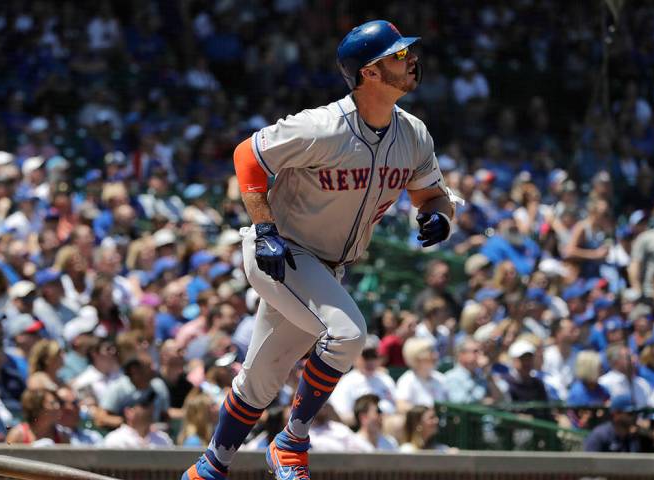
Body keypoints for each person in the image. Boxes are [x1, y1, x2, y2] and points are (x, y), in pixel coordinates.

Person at [181, 19, 458, 480]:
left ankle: (209, 467)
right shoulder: (323, 126)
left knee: (261, 379)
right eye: (397, 56)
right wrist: (264, 227)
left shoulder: (413, 134)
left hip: (328, 269)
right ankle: (291, 442)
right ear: (370, 72)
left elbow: (432, 194)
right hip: (281, 251)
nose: (409, 61)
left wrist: (440, 216)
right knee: (349, 335)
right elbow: (248, 155)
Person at [103, 389, 173, 448]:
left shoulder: (163, 439)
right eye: (144, 405)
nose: (151, 409)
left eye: (151, 405)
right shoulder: (115, 440)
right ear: (129, 412)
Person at [395, 336, 447, 412]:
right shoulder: (407, 380)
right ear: (417, 358)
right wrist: (425, 413)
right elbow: (401, 406)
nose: (436, 355)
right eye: (430, 352)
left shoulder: (440, 378)